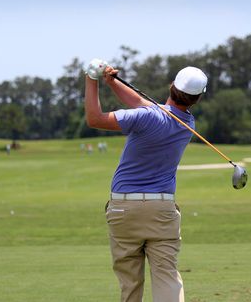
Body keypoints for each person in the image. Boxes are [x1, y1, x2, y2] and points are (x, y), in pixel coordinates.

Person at [84, 59, 207, 302]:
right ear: (197, 98)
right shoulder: (187, 124)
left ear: (172, 85)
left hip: (123, 209)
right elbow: (143, 104)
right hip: (162, 210)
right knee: (167, 278)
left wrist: (92, 79)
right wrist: (113, 83)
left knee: (130, 284)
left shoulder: (145, 117)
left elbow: (95, 119)